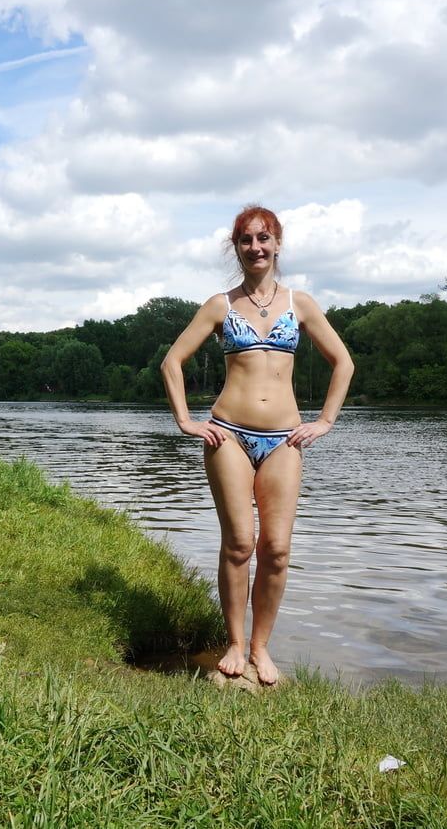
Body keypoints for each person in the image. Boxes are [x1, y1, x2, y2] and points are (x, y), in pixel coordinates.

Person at [161, 205, 354, 685]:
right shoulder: (219, 305)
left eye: (264, 239)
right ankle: (235, 643)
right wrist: (186, 420)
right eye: (246, 240)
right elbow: (172, 362)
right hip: (228, 433)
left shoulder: (300, 304)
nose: (256, 248)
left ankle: (262, 648)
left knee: (278, 548)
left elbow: (343, 363)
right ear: (236, 246)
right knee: (241, 542)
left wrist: (325, 421)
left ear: (277, 243)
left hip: (285, 438)